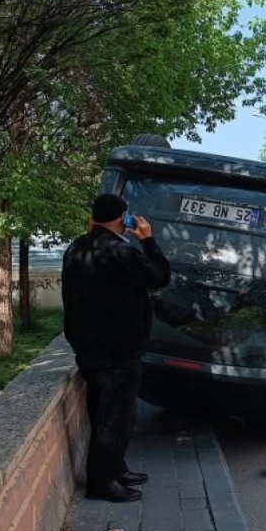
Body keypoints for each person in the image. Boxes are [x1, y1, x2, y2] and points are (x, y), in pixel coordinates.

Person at [62, 194, 171, 503]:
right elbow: (160, 275)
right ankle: (101, 482)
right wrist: (148, 240)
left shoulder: (77, 248)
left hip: (87, 345)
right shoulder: (119, 252)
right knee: (116, 417)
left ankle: (115, 468)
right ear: (122, 218)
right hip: (117, 349)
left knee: (100, 411)